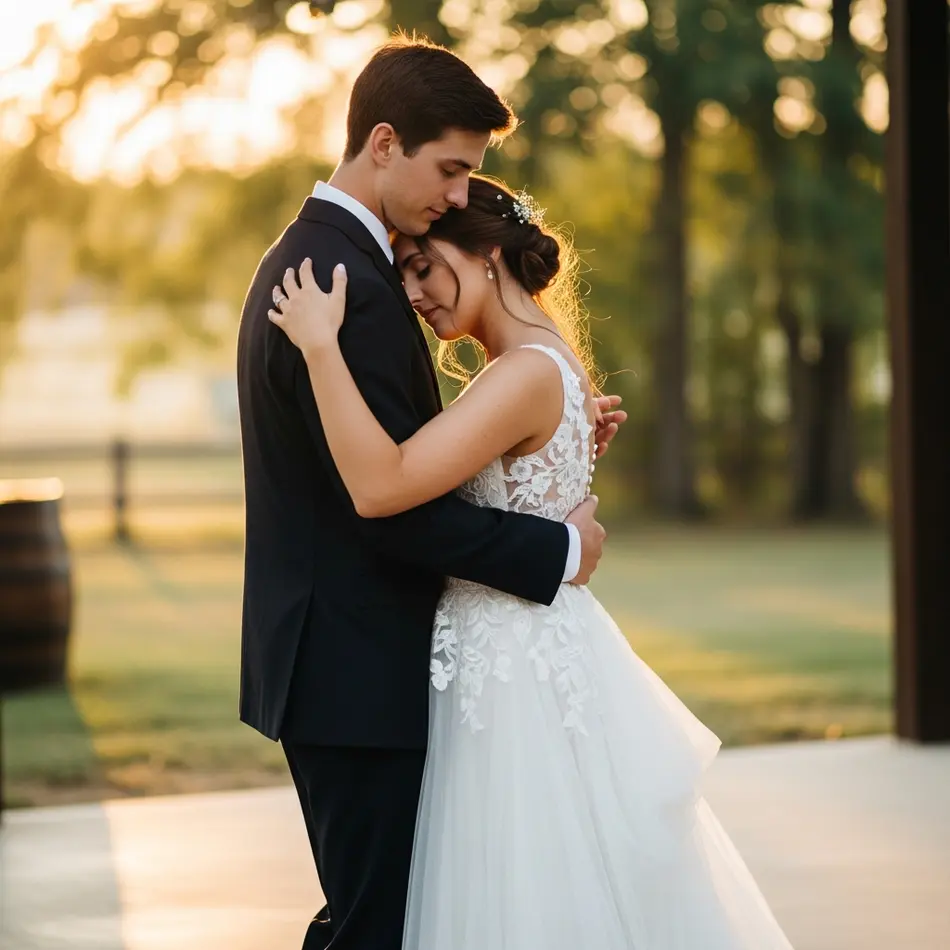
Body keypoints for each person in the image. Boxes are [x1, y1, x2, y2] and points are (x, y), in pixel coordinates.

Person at [268, 174, 797, 949]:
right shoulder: (547, 364)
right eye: (405, 273)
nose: (413, 292)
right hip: (516, 647)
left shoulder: (521, 373)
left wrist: (321, 349)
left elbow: (387, 483)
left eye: (424, 266)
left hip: (509, 669)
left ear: (487, 255)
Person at [235, 36, 624, 950]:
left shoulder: (326, 259)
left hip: (347, 665)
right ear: (383, 143)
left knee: (380, 919)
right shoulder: (345, 284)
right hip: (355, 669)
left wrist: (543, 440)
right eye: (450, 169)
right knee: (375, 927)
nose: (457, 194)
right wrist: (558, 546)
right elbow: (385, 497)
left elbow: (414, 460)